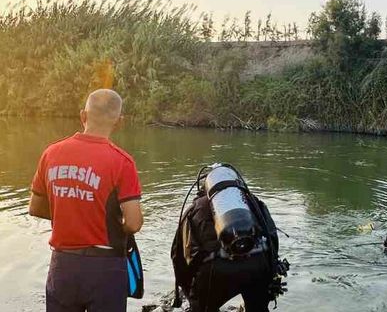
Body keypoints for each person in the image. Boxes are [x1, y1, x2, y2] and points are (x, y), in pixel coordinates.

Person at [28, 89, 144, 312]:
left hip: (62, 265)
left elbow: (35, 207)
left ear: (83, 116)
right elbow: (133, 223)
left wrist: (70, 214)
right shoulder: (122, 162)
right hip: (106, 268)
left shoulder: (51, 153)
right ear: (119, 122)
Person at [172, 164, 288, 312]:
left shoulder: (194, 210)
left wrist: (189, 293)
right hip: (256, 264)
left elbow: (179, 257)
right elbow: (272, 239)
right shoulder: (252, 202)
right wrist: (270, 279)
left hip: (215, 270)